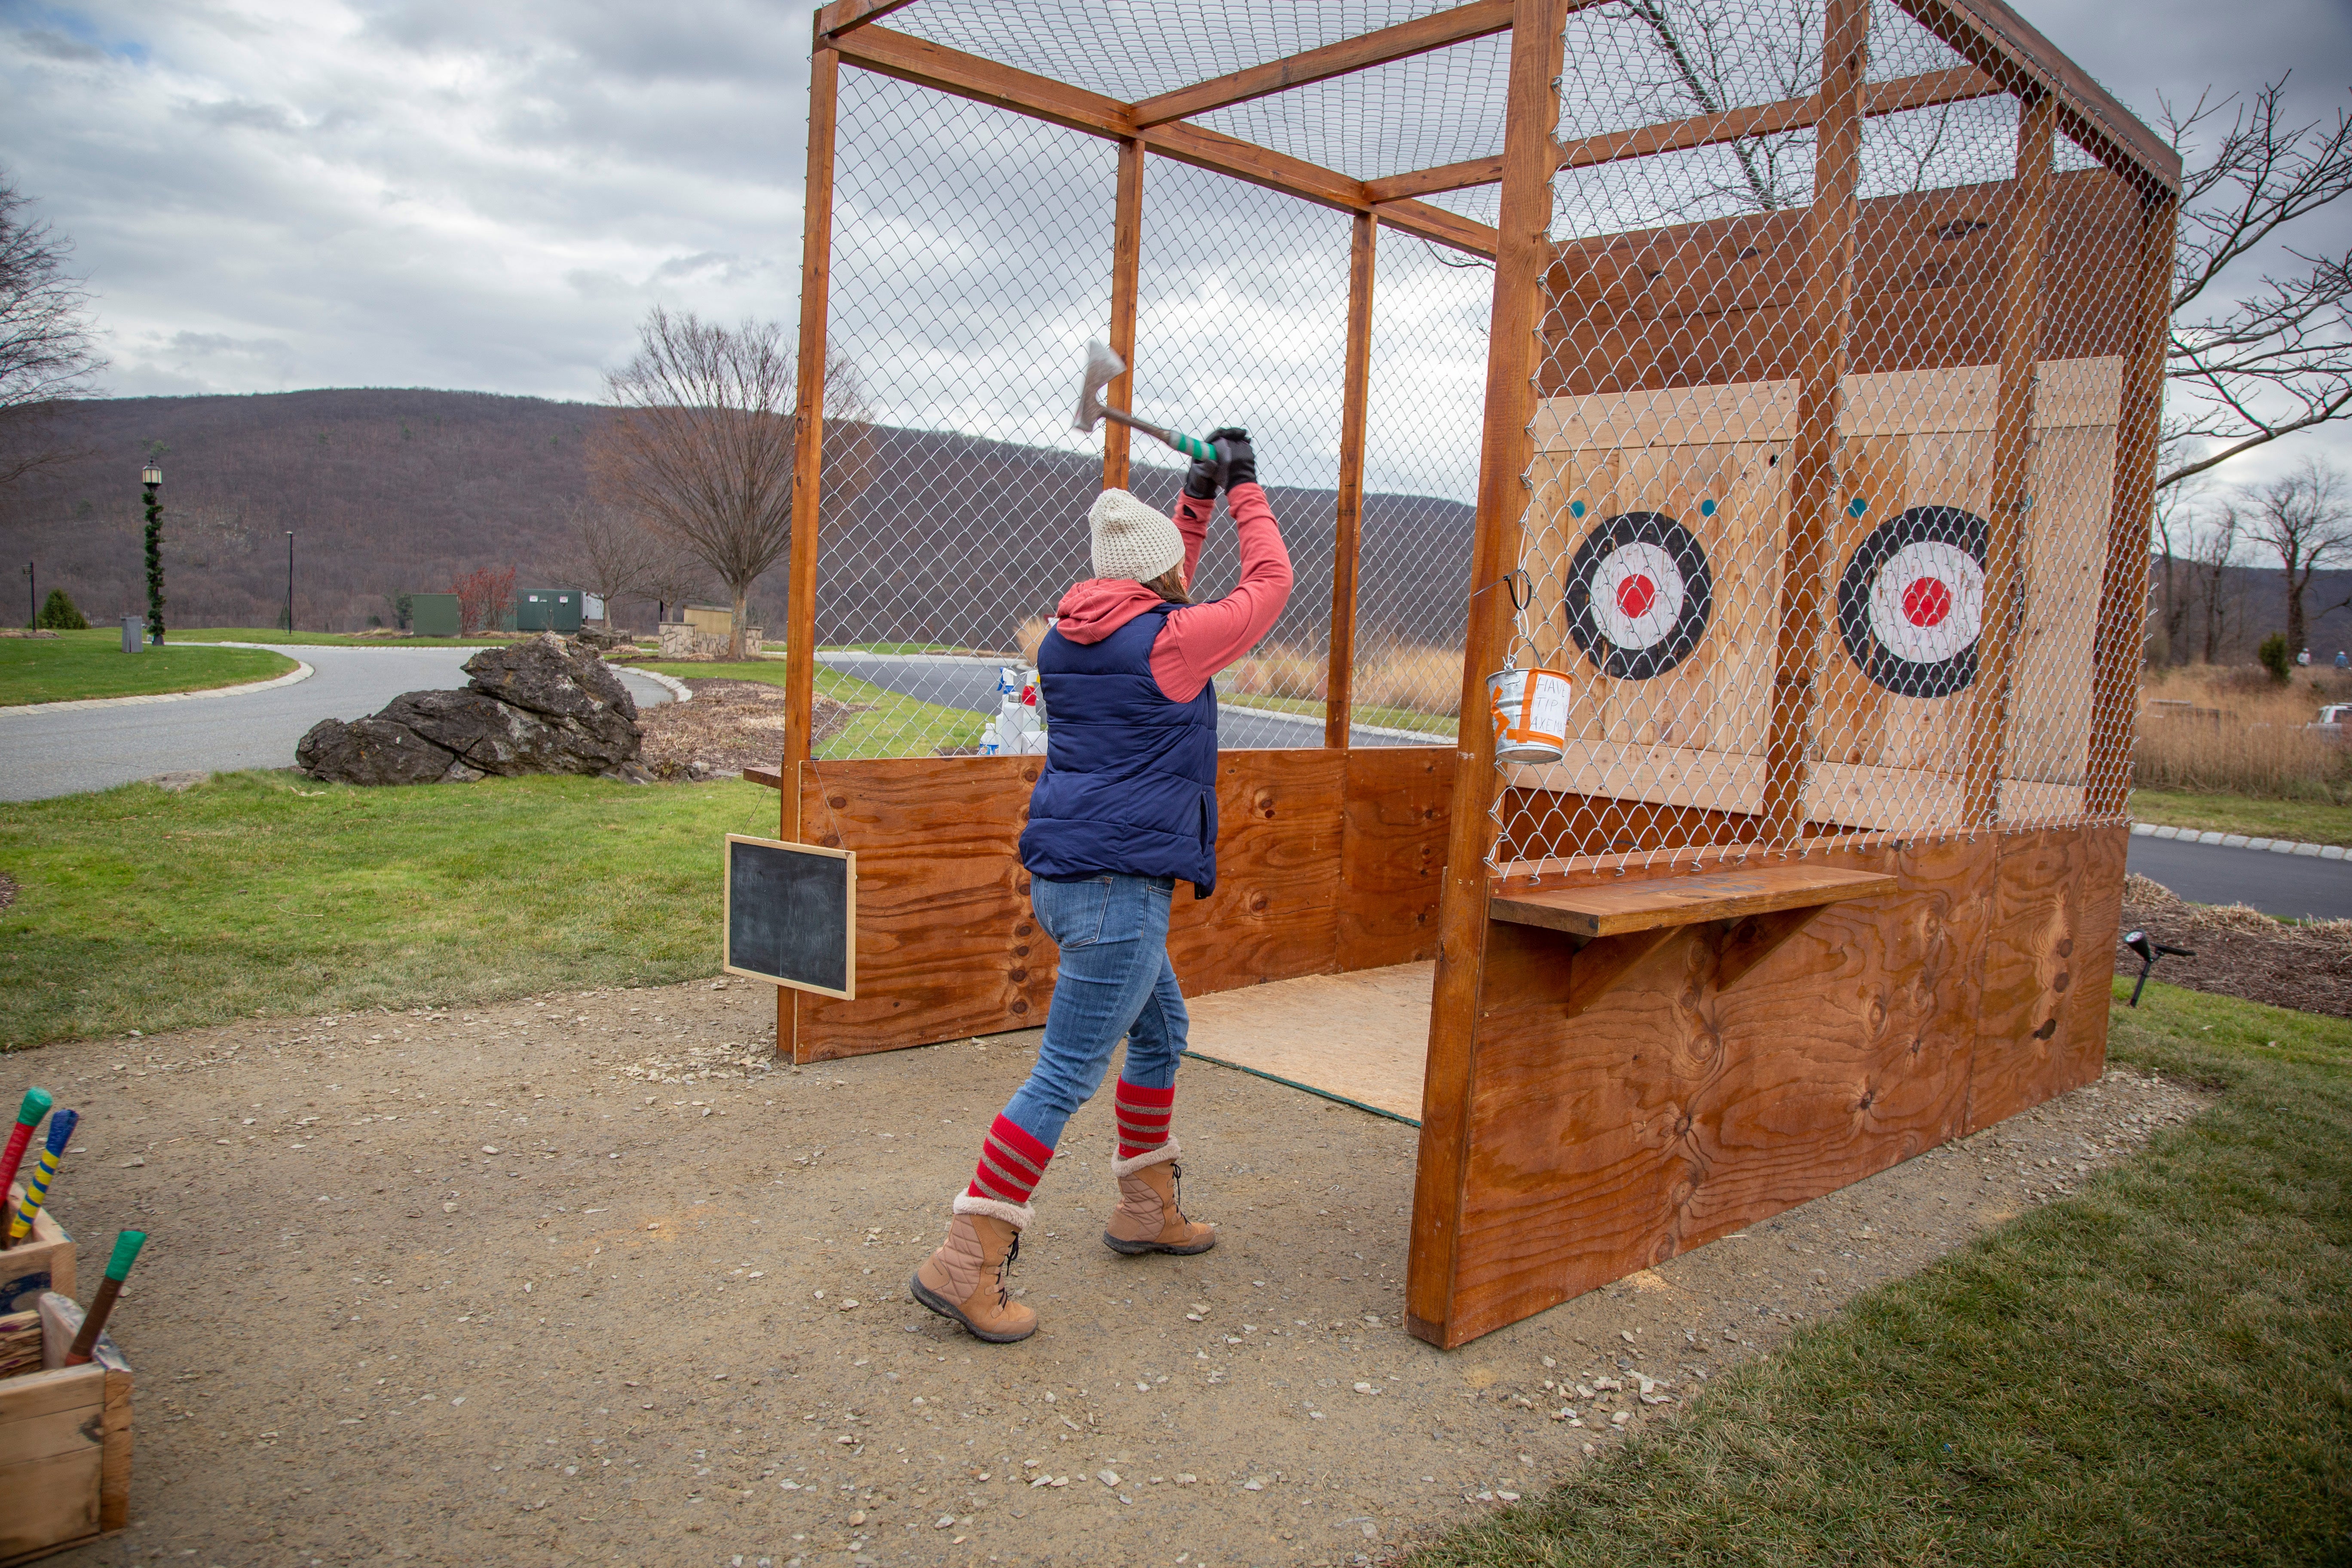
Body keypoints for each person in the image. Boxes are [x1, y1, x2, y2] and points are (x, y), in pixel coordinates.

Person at [911, 429, 1292, 1344]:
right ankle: (965, 1262)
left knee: (1163, 1029)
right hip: (1121, 889)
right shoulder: (1172, 643)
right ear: (1161, 581)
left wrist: (1193, 501)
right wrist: (1246, 490)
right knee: (1063, 1076)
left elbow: (1161, 581)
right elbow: (1269, 585)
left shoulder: (1069, 637)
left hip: (1068, 877)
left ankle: (1145, 1209)